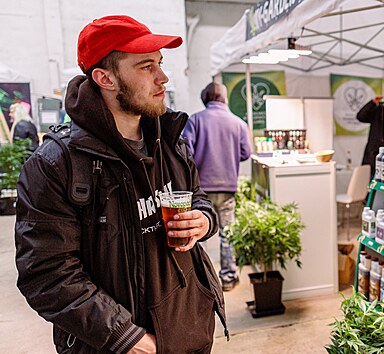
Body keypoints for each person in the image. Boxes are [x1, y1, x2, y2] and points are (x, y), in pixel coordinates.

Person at [14, 15, 227, 354]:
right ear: (105, 78)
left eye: (160, 63)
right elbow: (47, 274)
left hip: (190, 332)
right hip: (119, 345)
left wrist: (204, 221)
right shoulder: (55, 165)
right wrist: (126, 338)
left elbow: (199, 198)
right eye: (146, 67)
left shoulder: (170, 141)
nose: (163, 77)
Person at [183, 82, 252, 291]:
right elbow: (246, 153)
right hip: (227, 188)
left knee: (198, 234)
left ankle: (201, 279)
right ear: (225, 98)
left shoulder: (195, 120)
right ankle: (229, 277)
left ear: (205, 98)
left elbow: (186, 152)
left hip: (201, 191)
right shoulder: (238, 123)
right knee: (227, 233)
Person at [356, 96, 384, 178]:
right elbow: (360, 116)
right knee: (367, 180)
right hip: (373, 154)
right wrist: (372, 103)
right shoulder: (378, 110)